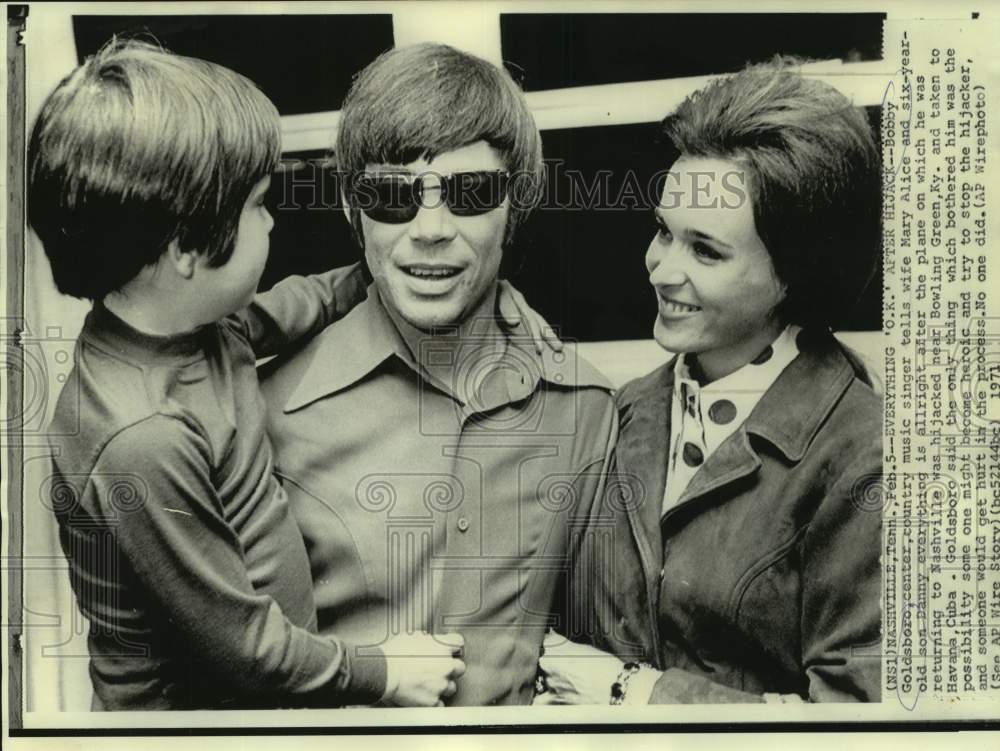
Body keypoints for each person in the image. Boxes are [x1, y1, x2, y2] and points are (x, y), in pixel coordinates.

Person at [30, 40, 469, 710]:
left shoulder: (191, 320)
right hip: (190, 739)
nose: (272, 219)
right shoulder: (140, 435)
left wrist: (384, 265)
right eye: (259, 204)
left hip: (266, 692)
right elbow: (240, 645)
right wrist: (383, 671)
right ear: (183, 248)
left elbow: (298, 305)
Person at [259, 42, 618, 706]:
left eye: (471, 193)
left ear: (517, 203)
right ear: (349, 207)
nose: (430, 229)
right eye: (392, 196)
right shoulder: (271, 408)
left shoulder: (584, 406)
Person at [538, 57, 883, 704]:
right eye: (663, 232)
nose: (660, 269)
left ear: (795, 273)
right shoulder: (625, 411)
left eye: (706, 250)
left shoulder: (867, 456)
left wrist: (631, 691)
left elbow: (861, 731)